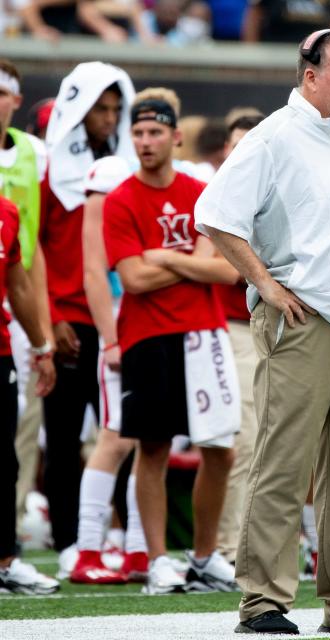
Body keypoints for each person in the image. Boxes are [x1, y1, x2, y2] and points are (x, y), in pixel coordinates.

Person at [195, 28, 330, 635]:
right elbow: (213, 214)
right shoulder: (274, 137)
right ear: (310, 76)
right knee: (283, 464)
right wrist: (266, 285)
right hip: (302, 322)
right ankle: (262, 601)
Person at [102, 88, 241, 596]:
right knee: (153, 447)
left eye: (155, 131)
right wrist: (189, 265)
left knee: (221, 449)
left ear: (175, 136)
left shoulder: (199, 190)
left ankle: (204, 556)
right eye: (137, 132)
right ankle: (158, 558)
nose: (145, 140)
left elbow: (224, 270)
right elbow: (133, 280)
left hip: (204, 334)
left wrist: (162, 257)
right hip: (146, 335)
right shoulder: (119, 200)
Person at [40, 61, 137, 577]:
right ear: (77, 112)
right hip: (69, 322)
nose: (110, 117)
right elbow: (33, 249)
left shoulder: (122, 166)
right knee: (62, 436)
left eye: (115, 107)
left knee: (121, 430)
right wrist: (51, 315)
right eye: (100, 108)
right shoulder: (47, 167)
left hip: (121, 320)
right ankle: (66, 541)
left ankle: (115, 536)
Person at [70, 152, 151, 585]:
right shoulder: (111, 173)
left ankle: (140, 550)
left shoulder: (168, 179)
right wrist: (111, 337)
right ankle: (87, 549)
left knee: (150, 439)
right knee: (115, 437)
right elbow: (94, 269)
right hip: (122, 323)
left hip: (155, 322)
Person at [0, 59, 53, 542]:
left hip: (17, 300)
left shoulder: (35, 153)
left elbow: (36, 243)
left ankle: (9, 536)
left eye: (2, 92)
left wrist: (44, 326)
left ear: (16, 100)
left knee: (19, 424)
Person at [213, 113, 264, 566]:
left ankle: (268, 546)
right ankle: (231, 548)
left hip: (282, 325)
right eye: (236, 144)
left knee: (283, 443)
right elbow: (225, 268)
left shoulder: (277, 189)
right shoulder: (218, 192)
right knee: (243, 441)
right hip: (233, 327)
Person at [0, 194, 58, 595]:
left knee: (5, 461)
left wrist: (40, 347)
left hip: (0, 351)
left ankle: (5, 561)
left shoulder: (6, 211)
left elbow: (18, 285)